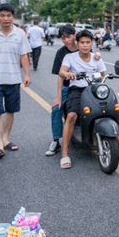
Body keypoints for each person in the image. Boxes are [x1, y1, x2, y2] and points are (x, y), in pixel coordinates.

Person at [58, 30, 119, 168]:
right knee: (71, 115)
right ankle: (65, 154)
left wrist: (103, 78)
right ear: (77, 43)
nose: (85, 45)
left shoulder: (96, 58)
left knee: (111, 111)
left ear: (92, 43)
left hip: (95, 89)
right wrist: (68, 74)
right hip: (77, 90)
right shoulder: (70, 57)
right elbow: (61, 71)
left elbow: (102, 75)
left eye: (88, 42)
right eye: (82, 42)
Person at [0, 3, 31, 160]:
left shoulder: (20, 34)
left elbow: (24, 55)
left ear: (13, 17)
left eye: (9, 15)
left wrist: (27, 75)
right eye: (2, 15)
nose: (6, 18)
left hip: (13, 79)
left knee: (10, 111)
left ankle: (6, 139)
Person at [47, 24, 78, 156]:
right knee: (56, 109)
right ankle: (56, 140)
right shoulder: (61, 53)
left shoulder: (83, 47)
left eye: (69, 37)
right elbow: (60, 76)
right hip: (67, 87)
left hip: (84, 86)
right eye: (63, 38)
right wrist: (58, 96)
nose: (66, 40)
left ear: (74, 35)